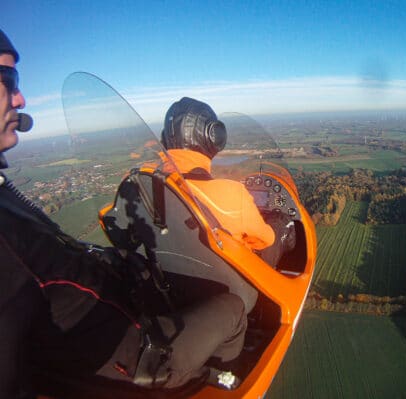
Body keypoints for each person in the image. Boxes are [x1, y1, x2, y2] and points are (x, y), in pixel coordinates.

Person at [0, 29, 246, 398]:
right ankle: (226, 380)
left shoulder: (139, 185)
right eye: (8, 80)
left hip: (119, 325)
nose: (21, 97)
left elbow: (109, 224)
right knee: (233, 308)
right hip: (138, 359)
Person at [160, 97, 295, 266]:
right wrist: (276, 221)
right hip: (235, 278)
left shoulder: (150, 185)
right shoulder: (232, 194)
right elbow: (264, 240)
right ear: (213, 137)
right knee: (282, 223)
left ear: (164, 139)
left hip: (178, 272)